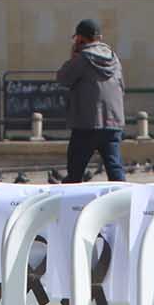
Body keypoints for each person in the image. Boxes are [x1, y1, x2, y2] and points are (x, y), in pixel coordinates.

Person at [56, 19, 126, 184]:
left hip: (87, 124)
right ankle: (126, 204)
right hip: (113, 123)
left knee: (75, 172)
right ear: (99, 37)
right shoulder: (114, 59)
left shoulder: (82, 59)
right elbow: (122, 87)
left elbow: (63, 78)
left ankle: (70, 207)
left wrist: (73, 56)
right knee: (115, 170)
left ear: (80, 38)